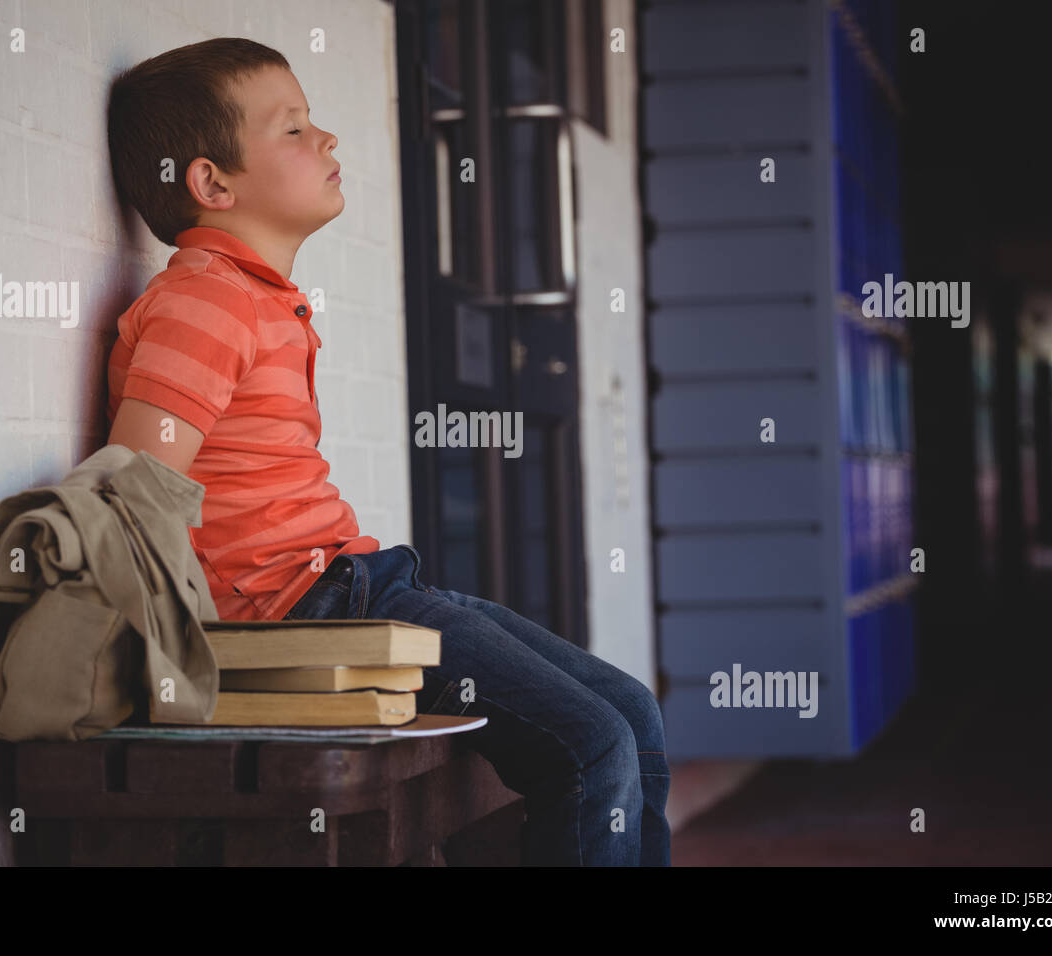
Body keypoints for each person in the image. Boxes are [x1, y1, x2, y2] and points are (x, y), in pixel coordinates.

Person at [104, 37, 670, 866]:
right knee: (590, 745)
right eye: (292, 129)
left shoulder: (254, 297)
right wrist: (200, 662)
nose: (326, 139)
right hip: (306, 611)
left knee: (631, 712)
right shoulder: (203, 300)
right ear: (213, 183)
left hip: (361, 583)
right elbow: (132, 489)